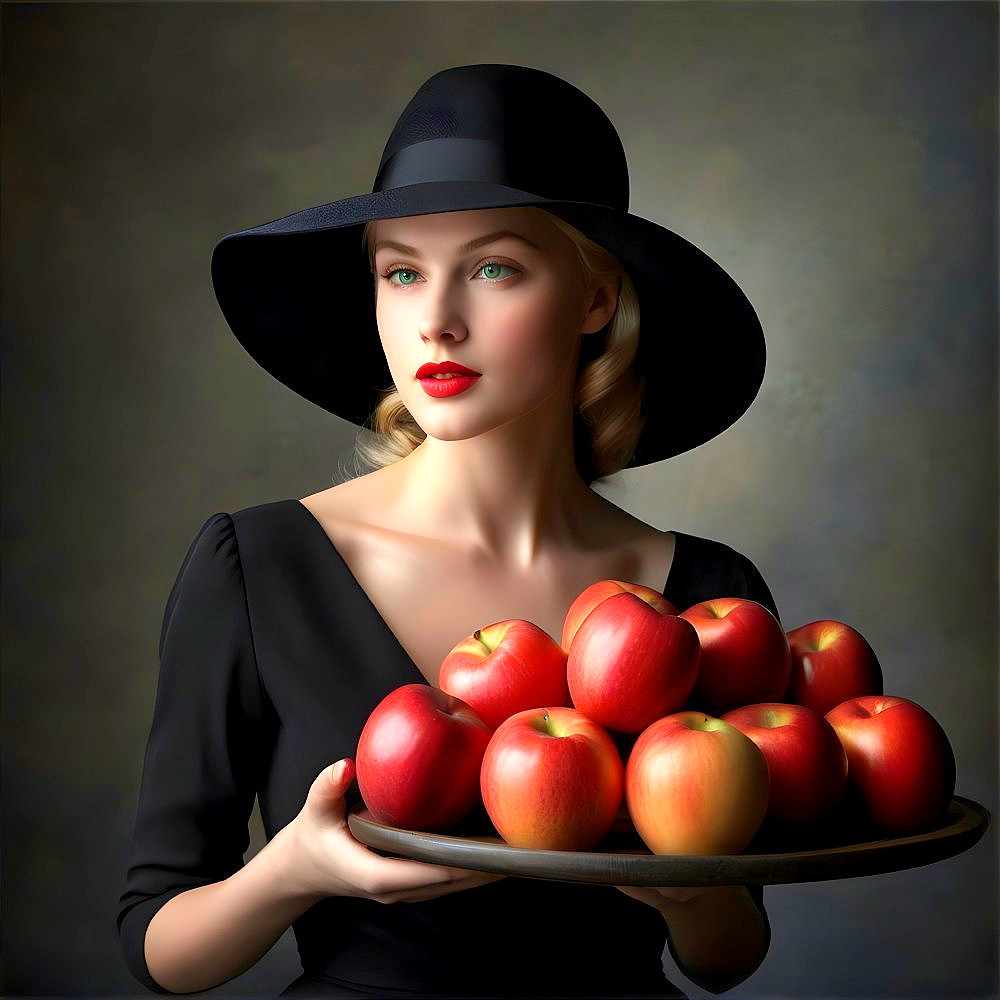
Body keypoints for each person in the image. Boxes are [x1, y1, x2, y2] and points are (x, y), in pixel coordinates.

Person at [117, 64, 778, 999]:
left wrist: (684, 895)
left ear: (595, 300)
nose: (436, 322)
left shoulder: (709, 595)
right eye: (401, 272)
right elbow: (160, 950)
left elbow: (730, 957)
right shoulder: (257, 566)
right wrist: (295, 868)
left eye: (494, 268)